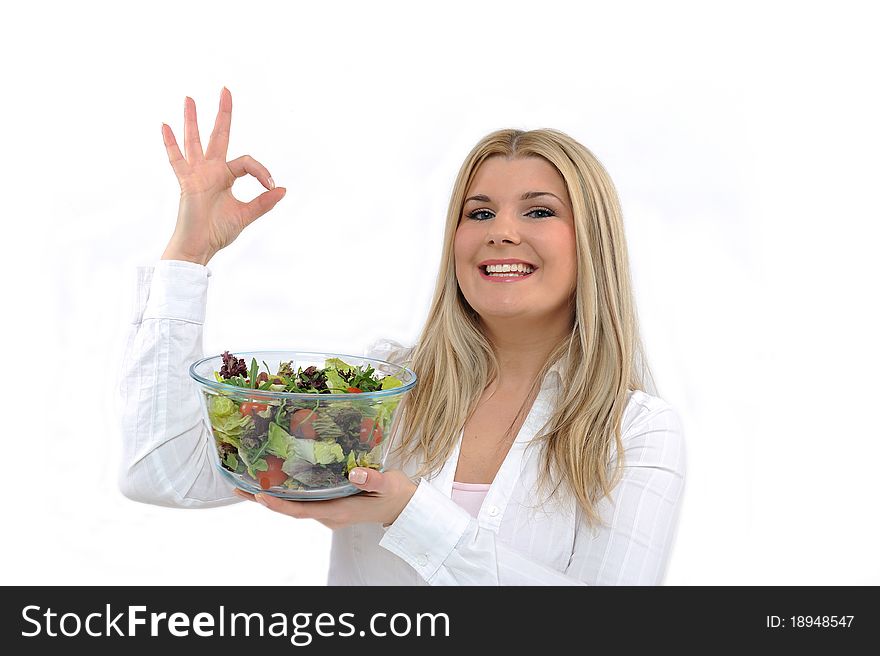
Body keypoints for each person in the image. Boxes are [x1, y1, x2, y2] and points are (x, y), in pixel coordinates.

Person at [118, 87, 686, 585]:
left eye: (539, 212)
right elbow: (163, 474)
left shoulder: (636, 432)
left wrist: (408, 514)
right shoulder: (380, 398)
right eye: (479, 213)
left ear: (593, 241)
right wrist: (187, 256)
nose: (503, 233)